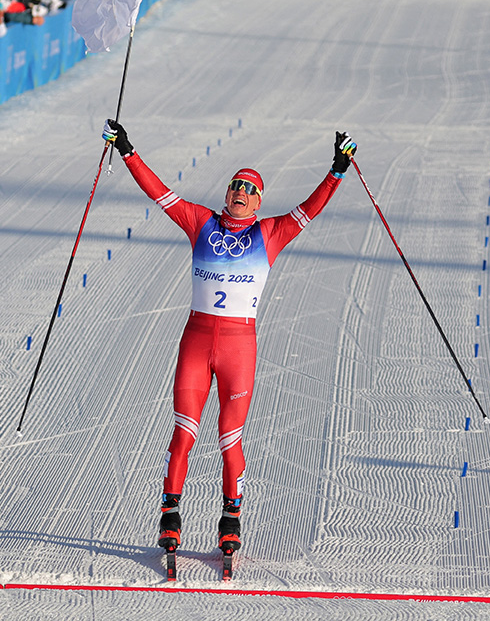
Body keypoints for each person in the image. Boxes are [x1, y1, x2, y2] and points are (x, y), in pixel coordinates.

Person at [101, 119, 358, 556]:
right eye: (235, 185)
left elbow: (310, 209)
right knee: (183, 432)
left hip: (239, 347)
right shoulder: (200, 222)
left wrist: (337, 169)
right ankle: (170, 515)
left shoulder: (270, 233)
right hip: (197, 342)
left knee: (228, 437)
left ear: (258, 200)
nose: (239, 191)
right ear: (227, 194)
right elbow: (158, 191)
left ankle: (230, 518)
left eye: (249, 188)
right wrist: (127, 150)